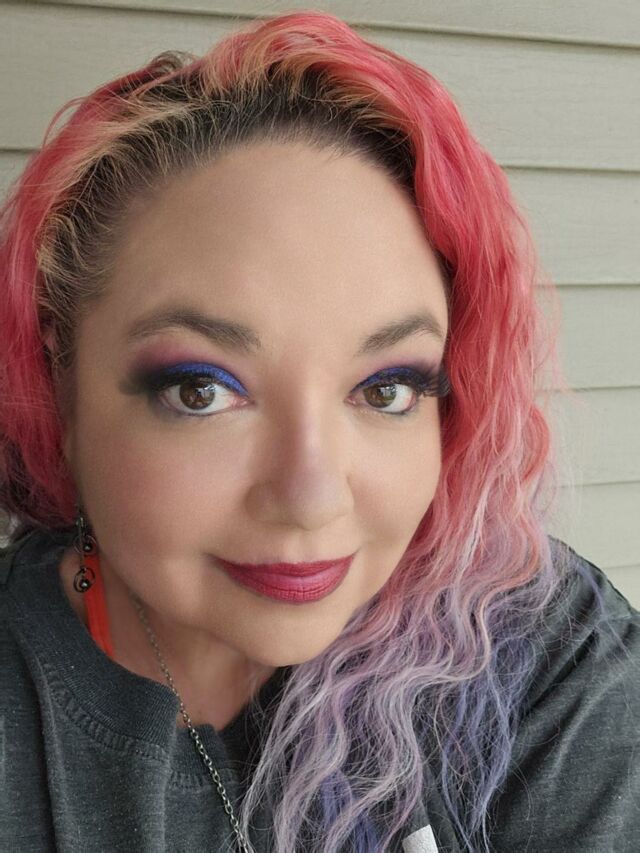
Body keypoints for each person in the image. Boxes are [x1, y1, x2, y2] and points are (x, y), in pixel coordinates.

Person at [0, 10, 638, 853]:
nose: (311, 497)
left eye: (387, 387)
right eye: (201, 389)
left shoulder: (543, 653)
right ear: (62, 379)